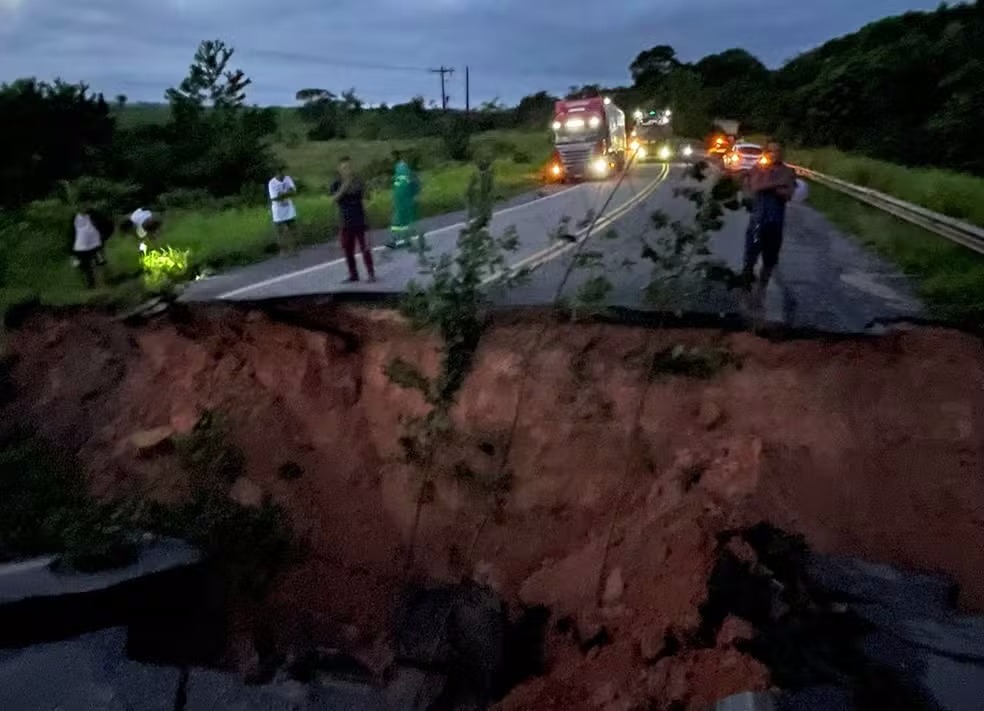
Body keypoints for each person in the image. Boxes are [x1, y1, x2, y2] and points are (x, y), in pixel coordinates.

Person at [743, 141, 797, 305]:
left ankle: (761, 291)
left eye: (778, 151)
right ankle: (745, 290)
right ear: (766, 153)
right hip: (757, 221)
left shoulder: (788, 171)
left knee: (770, 260)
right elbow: (755, 187)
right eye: (771, 151)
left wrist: (769, 185)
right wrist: (777, 184)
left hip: (775, 222)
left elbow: (788, 194)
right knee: (750, 258)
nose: (775, 154)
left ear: (782, 153)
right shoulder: (757, 169)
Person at [330, 157, 376, 284]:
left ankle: (371, 273)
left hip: (360, 218)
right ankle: (353, 274)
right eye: (344, 168)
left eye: (349, 167)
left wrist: (367, 193)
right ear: (339, 169)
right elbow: (333, 199)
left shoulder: (358, 181)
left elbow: (367, 197)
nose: (347, 170)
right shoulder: (336, 183)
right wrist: (345, 186)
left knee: (365, 248)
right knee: (347, 249)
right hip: (345, 219)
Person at [68, 206, 113, 288]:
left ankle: (105, 283)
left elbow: (108, 225)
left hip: (95, 245)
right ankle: (89, 285)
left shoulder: (95, 215)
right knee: (84, 267)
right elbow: (71, 234)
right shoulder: (74, 218)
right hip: (80, 247)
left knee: (101, 263)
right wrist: (71, 250)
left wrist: (103, 237)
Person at [387, 150, 420, 249]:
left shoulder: (401, 168)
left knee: (397, 221)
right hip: (405, 199)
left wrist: (397, 198)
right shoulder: (402, 168)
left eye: (392, 158)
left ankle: (395, 240)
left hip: (403, 199)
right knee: (404, 221)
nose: (391, 160)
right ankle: (407, 240)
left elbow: (403, 185)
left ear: (395, 157)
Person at [268, 167, 298, 253]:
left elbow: (294, 192)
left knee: (293, 228)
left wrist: (282, 194)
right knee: (280, 231)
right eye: (279, 173)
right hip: (278, 210)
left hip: (289, 208)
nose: (282, 174)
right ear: (276, 173)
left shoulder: (287, 179)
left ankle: (293, 248)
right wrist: (287, 193)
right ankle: (283, 249)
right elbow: (274, 198)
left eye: (282, 172)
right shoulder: (272, 183)